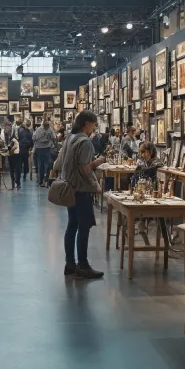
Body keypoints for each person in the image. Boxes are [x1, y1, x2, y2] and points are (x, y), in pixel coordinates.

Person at [51, 110, 105, 279]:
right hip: (81, 190)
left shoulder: (68, 139)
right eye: (94, 124)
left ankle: (70, 263)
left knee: (72, 225)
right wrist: (99, 161)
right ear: (87, 123)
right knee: (84, 226)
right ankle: (83, 265)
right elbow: (85, 168)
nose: (94, 128)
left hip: (69, 188)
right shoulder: (86, 142)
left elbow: (57, 164)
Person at [32, 119, 57, 186]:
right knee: (42, 165)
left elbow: (54, 138)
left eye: (47, 126)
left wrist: (53, 143)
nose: (46, 127)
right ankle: (41, 180)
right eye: (46, 126)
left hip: (46, 148)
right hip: (40, 149)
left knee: (48, 164)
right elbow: (34, 138)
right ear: (43, 125)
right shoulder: (39, 130)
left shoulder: (49, 129)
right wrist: (42, 136)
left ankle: (45, 179)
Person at [1, 120, 21, 189]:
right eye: (6, 128)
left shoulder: (15, 132)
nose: (7, 130)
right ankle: (13, 182)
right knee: (11, 168)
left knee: (17, 168)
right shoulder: (4, 133)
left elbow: (17, 142)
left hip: (16, 152)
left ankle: (18, 183)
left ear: (10, 127)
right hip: (10, 152)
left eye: (8, 128)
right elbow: (4, 142)